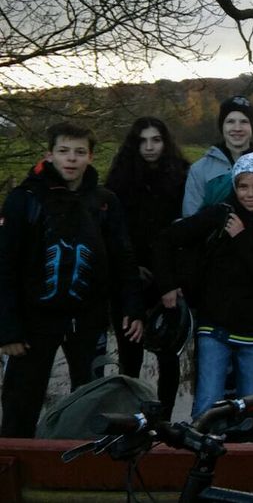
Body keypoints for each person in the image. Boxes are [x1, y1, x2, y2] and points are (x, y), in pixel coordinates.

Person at [0, 122, 144, 437]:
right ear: (49, 154)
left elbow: (123, 259)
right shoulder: (24, 200)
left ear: (90, 156)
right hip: (34, 320)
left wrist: (132, 308)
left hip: (88, 318)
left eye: (79, 152)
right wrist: (8, 329)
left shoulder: (105, 202)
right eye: (63, 151)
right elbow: (5, 266)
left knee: (92, 402)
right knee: (21, 403)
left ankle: (85, 459)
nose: (71, 159)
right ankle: (16, 459)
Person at [157, 152, 253, 419]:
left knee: (250, 409)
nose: (250, 194)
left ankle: (243, 446)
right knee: (207, 403)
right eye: (243, 186)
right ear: (234, 186)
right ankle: (200, 445)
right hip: (215, 324)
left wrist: (241, 238)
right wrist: (167, 285)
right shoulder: (219, 214)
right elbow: (166, 239)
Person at [104, 117, 190, 418]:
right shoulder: (119, 180)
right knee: (130, 354)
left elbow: (184, 231)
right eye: (143, 141)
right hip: (129, 279)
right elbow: (114, 235)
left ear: (165, 142)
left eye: (156, 140)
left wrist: (173, 277)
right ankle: (129, 418)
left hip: (168, 280)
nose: (150, 147)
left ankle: (164, 420)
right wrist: (129, 272)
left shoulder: (181, 176)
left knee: (169, 355)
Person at [183, 95, 253, 216]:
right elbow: (190, 219)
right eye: (230, 121)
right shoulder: (200, 170)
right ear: (222, 126)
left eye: (244, 121)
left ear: (252, 127)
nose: (237, 128)